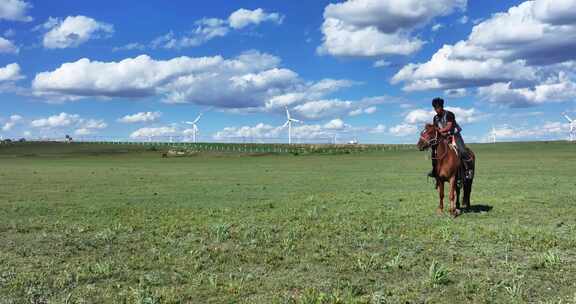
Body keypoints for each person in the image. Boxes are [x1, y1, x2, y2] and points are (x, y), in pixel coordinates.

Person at [428, 97, 473, 179]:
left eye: (437, 107)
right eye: (435, 108)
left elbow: (449, 126)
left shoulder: (449, 114)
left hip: (454, 135)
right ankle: (435, 170)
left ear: (442, 107)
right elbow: (435, 128)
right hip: (443, 137)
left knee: (462, 151)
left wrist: (440, 130)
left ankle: (468, 170)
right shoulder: (435, 118)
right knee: (434, 152)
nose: (436, 110)